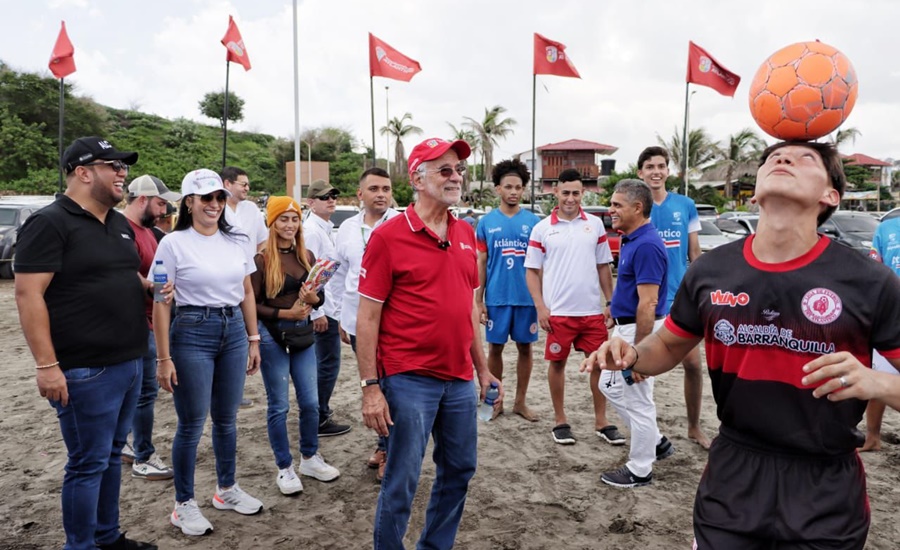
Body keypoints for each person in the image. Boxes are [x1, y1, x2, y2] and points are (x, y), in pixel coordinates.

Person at [586, 141, 900, 548]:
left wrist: (879, 383)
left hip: (823, 481)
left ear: (830, 195)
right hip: (733, 470)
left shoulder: (869, 282)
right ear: (755, 191)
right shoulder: (712, 271)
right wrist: (633, 353)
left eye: (805, 159)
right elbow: (668, 344)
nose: (784, 159)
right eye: (773, 158)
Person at [357, 137, 503, 549]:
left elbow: (468, 310)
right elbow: (367, 318)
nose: (456, 177)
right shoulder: (388, 237)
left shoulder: (465, 231)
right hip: (408, 379)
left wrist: (483, 369)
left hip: (458, 380)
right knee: (401, 479)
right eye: (445, 170)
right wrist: (371, 388)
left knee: (459, 470)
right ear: (417, 179)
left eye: (458, 170)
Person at [14, 136, 156, 549]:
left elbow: (118, 272)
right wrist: (46, 365)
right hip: (84, 369)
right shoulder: (49, 222)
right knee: (87, 463)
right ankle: (81, 546)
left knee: (112, 456)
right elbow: (28, 295)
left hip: (129, 360)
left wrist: (147, 286)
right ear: (83, 172)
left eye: (123, 167)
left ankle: (106, 537)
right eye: (113, 166)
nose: (122, 173)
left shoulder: (117, 223)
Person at [153, 169, 264, 537]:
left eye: (219, 197)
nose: (215, 205)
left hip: (232, 330)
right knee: (191, 423)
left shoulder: (237, 241)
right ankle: (183, 504)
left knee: (227, 418)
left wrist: (253, 338)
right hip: (191, 332)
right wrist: (163, 358)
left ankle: (226, 489)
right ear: (189, 203)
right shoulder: (172, 243)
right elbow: (161, 302)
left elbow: (246, 290)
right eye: (206, 198)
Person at [584, 179, 673, 488]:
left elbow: (648, 303)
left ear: (638, 207)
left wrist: (639, 355)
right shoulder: (632, 238)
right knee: (610, 384)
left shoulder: (647, 244)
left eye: (617, 205)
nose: (610, 210)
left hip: (639, 330)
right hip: (626, 327)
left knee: (639, 401)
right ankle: (657, 441)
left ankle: (640, 469)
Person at [252, 196, 341, 495]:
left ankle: (309, 457)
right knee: (279, 405)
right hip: (272, 337)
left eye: (294, 219)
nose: (289, 225)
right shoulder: (262, 259)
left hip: (303, 335)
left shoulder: (308, 256)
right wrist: (284, 313)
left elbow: (319, 296)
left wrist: (316, 301)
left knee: (310, 403)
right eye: (283, 219)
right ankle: (284, 467)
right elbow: (253, 305)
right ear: (272, 222)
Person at [524, 168, 617, 446]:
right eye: (565, 192)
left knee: (599, 364)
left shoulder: (595, 225)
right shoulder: (542, 228)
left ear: (583, 193)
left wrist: (610, 302)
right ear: (556, 192)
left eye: (576, 193)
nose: (571, 198)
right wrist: (540, 306)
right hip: (558, 313)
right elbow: (531, 270)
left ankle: (602, 421)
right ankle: (560, 420)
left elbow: (603, 266)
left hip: (590, 312)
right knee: (557, 364)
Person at [638, 146, 711, 449]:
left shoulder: (685, 205)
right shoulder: (637, 205)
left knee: (693, 365)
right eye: (649, 167)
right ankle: (645, 431)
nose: (656, 172)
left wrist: (705, 289)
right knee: (640, 368)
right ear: (640, 172)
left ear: (668, 170)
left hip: (680, 301)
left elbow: (694, 253)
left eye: (661, 166)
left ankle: (694, 427)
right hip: (646, 301)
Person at [332, 167, 399, 482]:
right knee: (370, 386)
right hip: (357, 319)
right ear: (360, 194)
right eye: (374, 188)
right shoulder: (346, 228)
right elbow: (338, 274)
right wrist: (340, 317)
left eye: (386, 188)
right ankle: (382, 442)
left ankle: (388, 450)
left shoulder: (401, 224)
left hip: (393, 322)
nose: (381, 194)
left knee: (391, 388)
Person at [120, 175, 181, 481]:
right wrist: (154, 287)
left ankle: (131, 447)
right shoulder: (123, 231)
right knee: (144, 393)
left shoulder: (147, 231)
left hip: (149, 318)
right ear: (142, 199)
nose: (163, 210)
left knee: (139, 392)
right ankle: (144, 455)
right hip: (137, 321)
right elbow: (125, 272)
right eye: (159, 203)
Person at [476, 158, 541, 421]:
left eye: (518, 187)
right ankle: (494, 401)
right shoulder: (486, 222)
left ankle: (520, 402)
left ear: (523, 189)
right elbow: (481, 262)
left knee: (526, 349)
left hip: (526, 299)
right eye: (508, 187)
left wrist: (541, 299)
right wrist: (478, 300)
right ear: (497, 189)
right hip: (497, 298)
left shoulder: (535, 222)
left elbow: (541, 265)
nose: (513, 191)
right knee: (495, 349)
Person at [303, 179, 351, 437]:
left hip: (329, 307)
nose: (331, 200)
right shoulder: (312, 230)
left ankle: (318, 412)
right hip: (322, 310)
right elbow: (309, 275)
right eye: (324, 197)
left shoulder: (324, 228)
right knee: (326, 365)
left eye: (333, 195)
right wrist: (317, 313)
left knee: (326, 364)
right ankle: (319, 416)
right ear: (311, 202)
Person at [221, 166, 268, 408]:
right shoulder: (217, 208)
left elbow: (263, 240)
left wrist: (257, 263)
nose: (247, 188)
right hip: (224, 278)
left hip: (249, 277)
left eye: (248, 184)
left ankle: (236, 390)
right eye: (243, 183)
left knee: (244, 333)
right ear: (227, 184)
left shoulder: (252, 210)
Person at [864, 216, 900, 450]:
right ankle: (872, 437)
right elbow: (875, 270)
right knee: (878, 375)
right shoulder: (886, 228)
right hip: (893, 314)